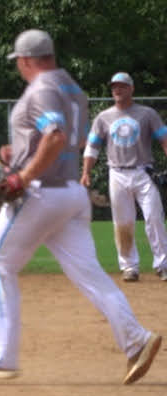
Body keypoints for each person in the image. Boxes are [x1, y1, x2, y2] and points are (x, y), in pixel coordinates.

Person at [0, 29, 161, 384]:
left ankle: (2, 356)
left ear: (26, 60)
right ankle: (136, 340)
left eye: (18, 62)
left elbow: (53, 135)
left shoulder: (41, 88)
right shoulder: (72, 90)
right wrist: (20, 152)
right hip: (71, 195)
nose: (19, 67)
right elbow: (72, 141)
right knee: (90, 273)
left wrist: (23, 175)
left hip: (42, 193)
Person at [80, 72, 167, 282]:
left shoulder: (147, 114)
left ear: (131, 89)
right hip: (117, 173)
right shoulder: (103, 117)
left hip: (144, 172)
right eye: (114, 87)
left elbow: (164, 139)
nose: (117, 90)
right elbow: (92, 147)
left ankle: (163, 264)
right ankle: (129, 267)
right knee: (123, 223)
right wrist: (86, 172)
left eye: (122, 86)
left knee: (154, 218)